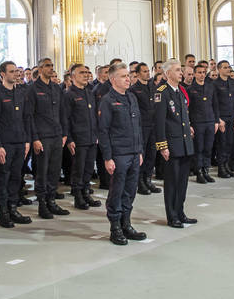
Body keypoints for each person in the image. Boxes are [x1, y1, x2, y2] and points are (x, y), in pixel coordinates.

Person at [98, 63, 147, 246]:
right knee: (117, 192)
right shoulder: (107, 100)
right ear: (112, 80)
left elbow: (138, 127)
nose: (128, 79)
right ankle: (115, 228)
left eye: (128, 76)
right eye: (123, 76)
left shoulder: (132, 98)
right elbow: (103, 131)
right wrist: (108, 158)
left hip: (134, 152)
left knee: (130, 192)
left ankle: (126, 224)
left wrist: (140, 150)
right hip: (118, 154)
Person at [0, 61, 32, 228]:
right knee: (3, 178)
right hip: (4, 144)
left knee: (15, 177)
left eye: (16, 71)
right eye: (12, 72)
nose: (16, 74)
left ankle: (13, 208)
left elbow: (26, 118)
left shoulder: (21, 93)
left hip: (20, 142)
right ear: (3, 74)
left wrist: (27, 140)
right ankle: (3, 212)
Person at [154, 59, 195, 229]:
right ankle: (172, 216)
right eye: (178, 70)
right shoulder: (161, 92)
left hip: (184, 142)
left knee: (183, 181)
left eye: (181, 70)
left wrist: (189, 128)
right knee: (172, 182)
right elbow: (159, 122)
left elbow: (183, 117)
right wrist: (162, 146)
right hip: (171, 144)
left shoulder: (180, 91)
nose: (181, 73)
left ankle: (180, 212)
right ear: (167, 73)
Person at [27, 57, 67, 220]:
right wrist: (35, 138)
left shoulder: (56, 88)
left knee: (54, 171)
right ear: (40, 68)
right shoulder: (33, 89)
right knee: (42, 172)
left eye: (52, 66)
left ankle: (51, 201)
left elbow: (62, 112)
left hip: (56, 135)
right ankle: (42, 204)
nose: (51, 68)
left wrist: (64, 133)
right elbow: (29, 116)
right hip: (42, 136)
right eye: (47, 66)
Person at [63, 63, 101, 210]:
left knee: (89, 168)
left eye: (87, 72)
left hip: (91, 137)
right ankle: (78, 196)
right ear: (73, 77)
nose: (86, 75)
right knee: (78, 169)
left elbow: (95, 115)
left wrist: (97, 134)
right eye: (81, 73)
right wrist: (70, 139)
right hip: (78, 139)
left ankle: (86, 193)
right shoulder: (69, 94)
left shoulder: (90, 92)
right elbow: (66, 119)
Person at [129, 62, 161, 194]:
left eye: (148, 71)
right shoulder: (133, 89)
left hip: (153, 126)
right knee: (141, 155)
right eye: (144, 71)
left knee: (151, 154)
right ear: (137, 73)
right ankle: (140, 182)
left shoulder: (153, 87)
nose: (148, 73)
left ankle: (148, 179)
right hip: (141, 127)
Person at [187, 63, 219, 183]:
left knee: (208, 148)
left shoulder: (210, 87)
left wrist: (216, 121)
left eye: (203, 72)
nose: (201, 75)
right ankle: (199, 172)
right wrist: (189, 124)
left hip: (210, 121)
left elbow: (215, 105)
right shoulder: (190, 89)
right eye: (199, 72)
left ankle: (206, 170)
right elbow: (187, 108)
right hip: (197, 122)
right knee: (199, 148)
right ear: (195, 74)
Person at [213, 60, 234, 178]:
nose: (228, 69)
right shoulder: (214, 84)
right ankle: (221, 168)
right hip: (222, 118)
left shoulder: (233, 83)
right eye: (225, 67)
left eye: (228, 67)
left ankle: (227, 165)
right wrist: (218, 119)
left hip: (231, 117)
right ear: (219, 69)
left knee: (230, 143)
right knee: (222, 144)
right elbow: (214, 103)